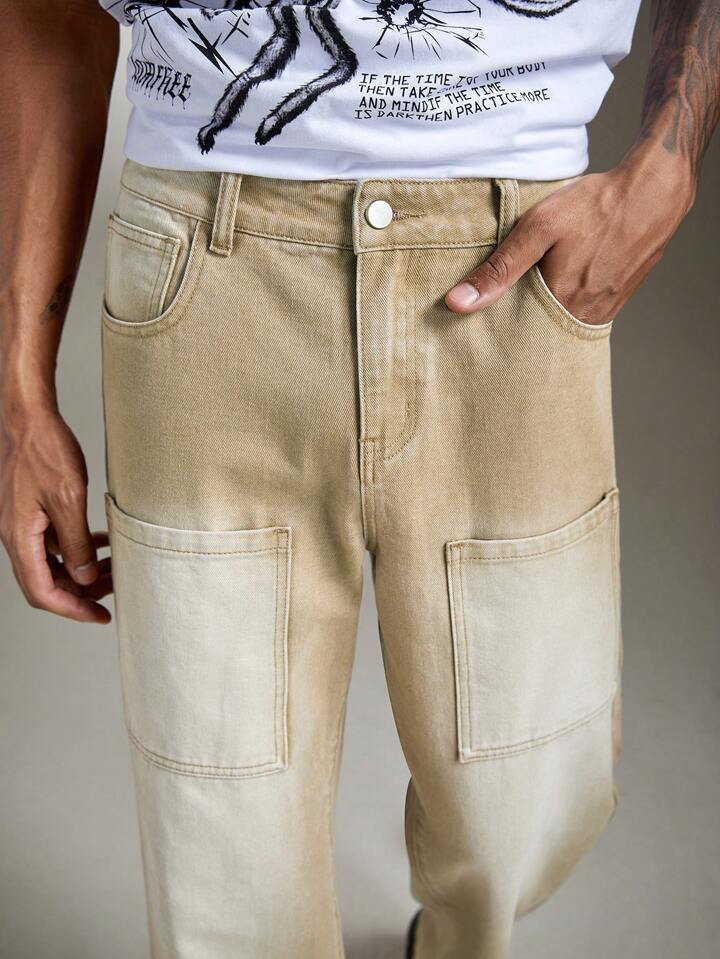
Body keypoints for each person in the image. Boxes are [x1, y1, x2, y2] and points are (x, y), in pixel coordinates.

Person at [1, 2, 717, 957]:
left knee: (528, 796)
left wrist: (669, 161)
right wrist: (18, 390)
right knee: (219, 838)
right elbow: (48, 16)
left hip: (512, 262)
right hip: (208, 266)